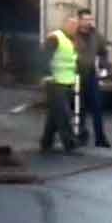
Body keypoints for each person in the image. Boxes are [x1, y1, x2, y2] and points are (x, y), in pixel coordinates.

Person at [40, 13, 81, 154]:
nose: (74, 28)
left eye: (76, 25)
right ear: (64, 24)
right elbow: (44, 56)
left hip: (67, 81)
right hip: (55, 81)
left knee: (55, 114)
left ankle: (46, 142)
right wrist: (46, 75)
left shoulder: (72, 40)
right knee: (64, 114)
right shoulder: (55, 38)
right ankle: (70, 144)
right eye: (71, 25)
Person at [74, 8, 111, 148]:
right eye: (85, 19)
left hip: (91, 75)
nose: (88, 22)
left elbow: (103, 52)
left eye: (90, 19)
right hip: (76, 76)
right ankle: (80, 135)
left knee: (97, 107)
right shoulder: (73, 35)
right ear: (79, 20)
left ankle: (100, 138)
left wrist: (103, 67)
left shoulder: (96, 36)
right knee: (79, 108)